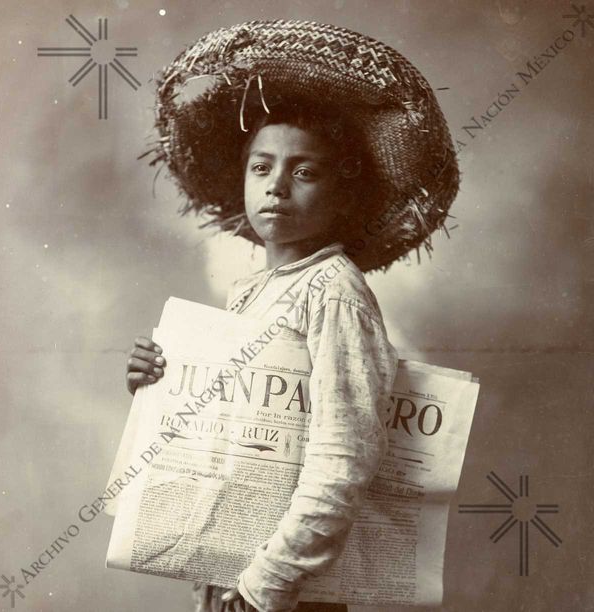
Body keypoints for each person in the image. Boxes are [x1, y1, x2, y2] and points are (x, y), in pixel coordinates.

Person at [127, 19, 460, 612]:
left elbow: (344, 458)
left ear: (345, 193)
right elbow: (227, 433)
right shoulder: (249, 290)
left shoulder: (333, 291)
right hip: (228, 572)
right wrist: (161, 385)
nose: (277, 186)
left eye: (305, 172)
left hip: (287, 590)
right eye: (262, 167)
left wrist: (268, 585)